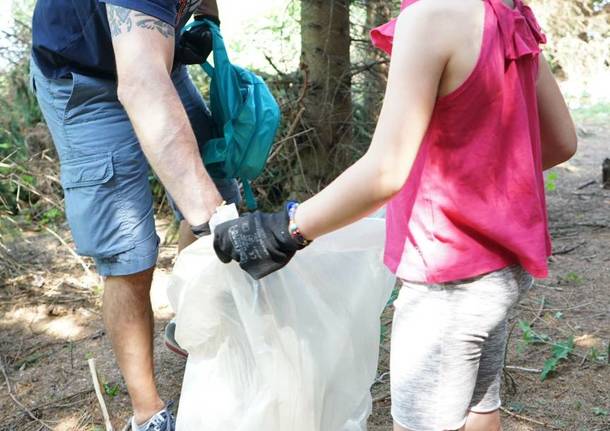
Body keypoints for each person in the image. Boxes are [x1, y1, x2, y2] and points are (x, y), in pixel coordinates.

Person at [213, 0, 577, 429]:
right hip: (500, 272)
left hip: (448, 283)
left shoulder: (431, 18)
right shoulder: (506, 9)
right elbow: (560, 142)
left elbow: (385, 171)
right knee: (480, 408)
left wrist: (284, 230)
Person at [30, 1, 237, 429]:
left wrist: (205, 19)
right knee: (129, 254)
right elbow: (141, 85)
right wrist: (215, 220)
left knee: (217, 186)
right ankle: (148, 415)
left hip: (156, 58)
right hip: (81, 78)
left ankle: (190, 322)